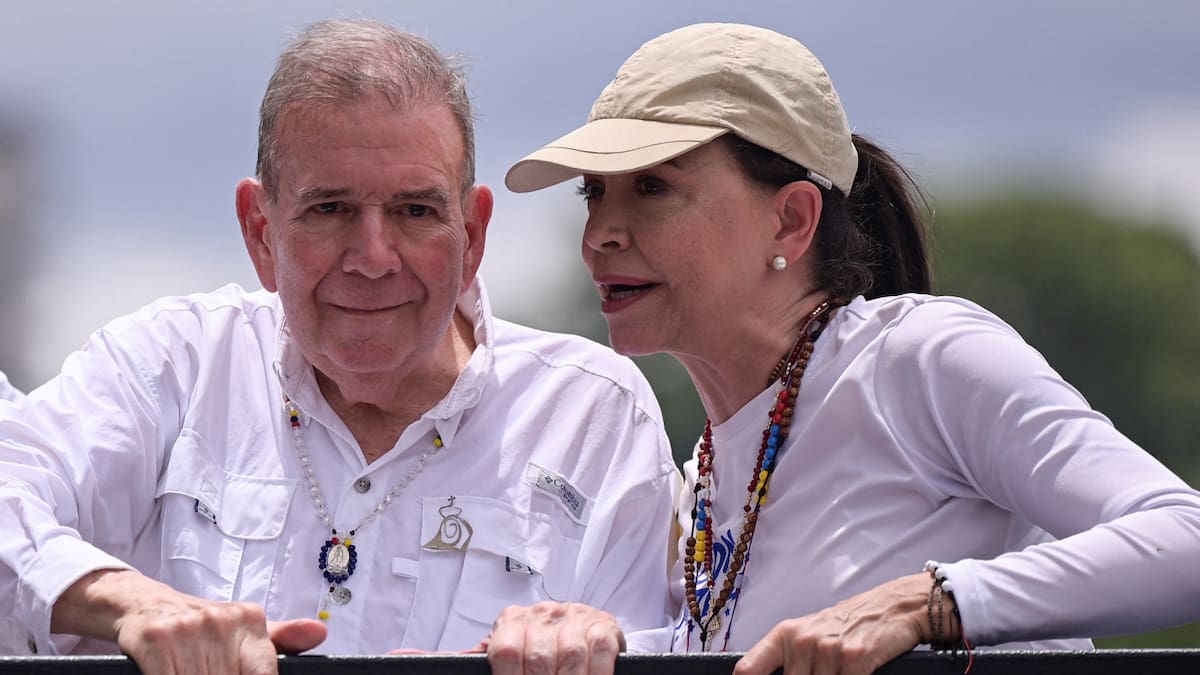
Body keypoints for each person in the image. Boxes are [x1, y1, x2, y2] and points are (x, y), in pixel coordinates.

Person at [495, 21, 1200, 675]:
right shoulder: (703, 478)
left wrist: (924, 603)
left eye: (653, 186)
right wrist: (589, 644)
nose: (601, 234)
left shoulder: (919, 355)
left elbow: (1186, 538)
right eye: (594, 193)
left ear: (792, 220)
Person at [0, 18, 679, 673]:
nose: (374, 256)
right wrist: (137, 604)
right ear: (260, 230)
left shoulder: (594, 418)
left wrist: (591, 648)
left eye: (415, 210)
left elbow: (662, 649)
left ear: (472, 234)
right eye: (330, 209)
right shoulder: (174, 366)